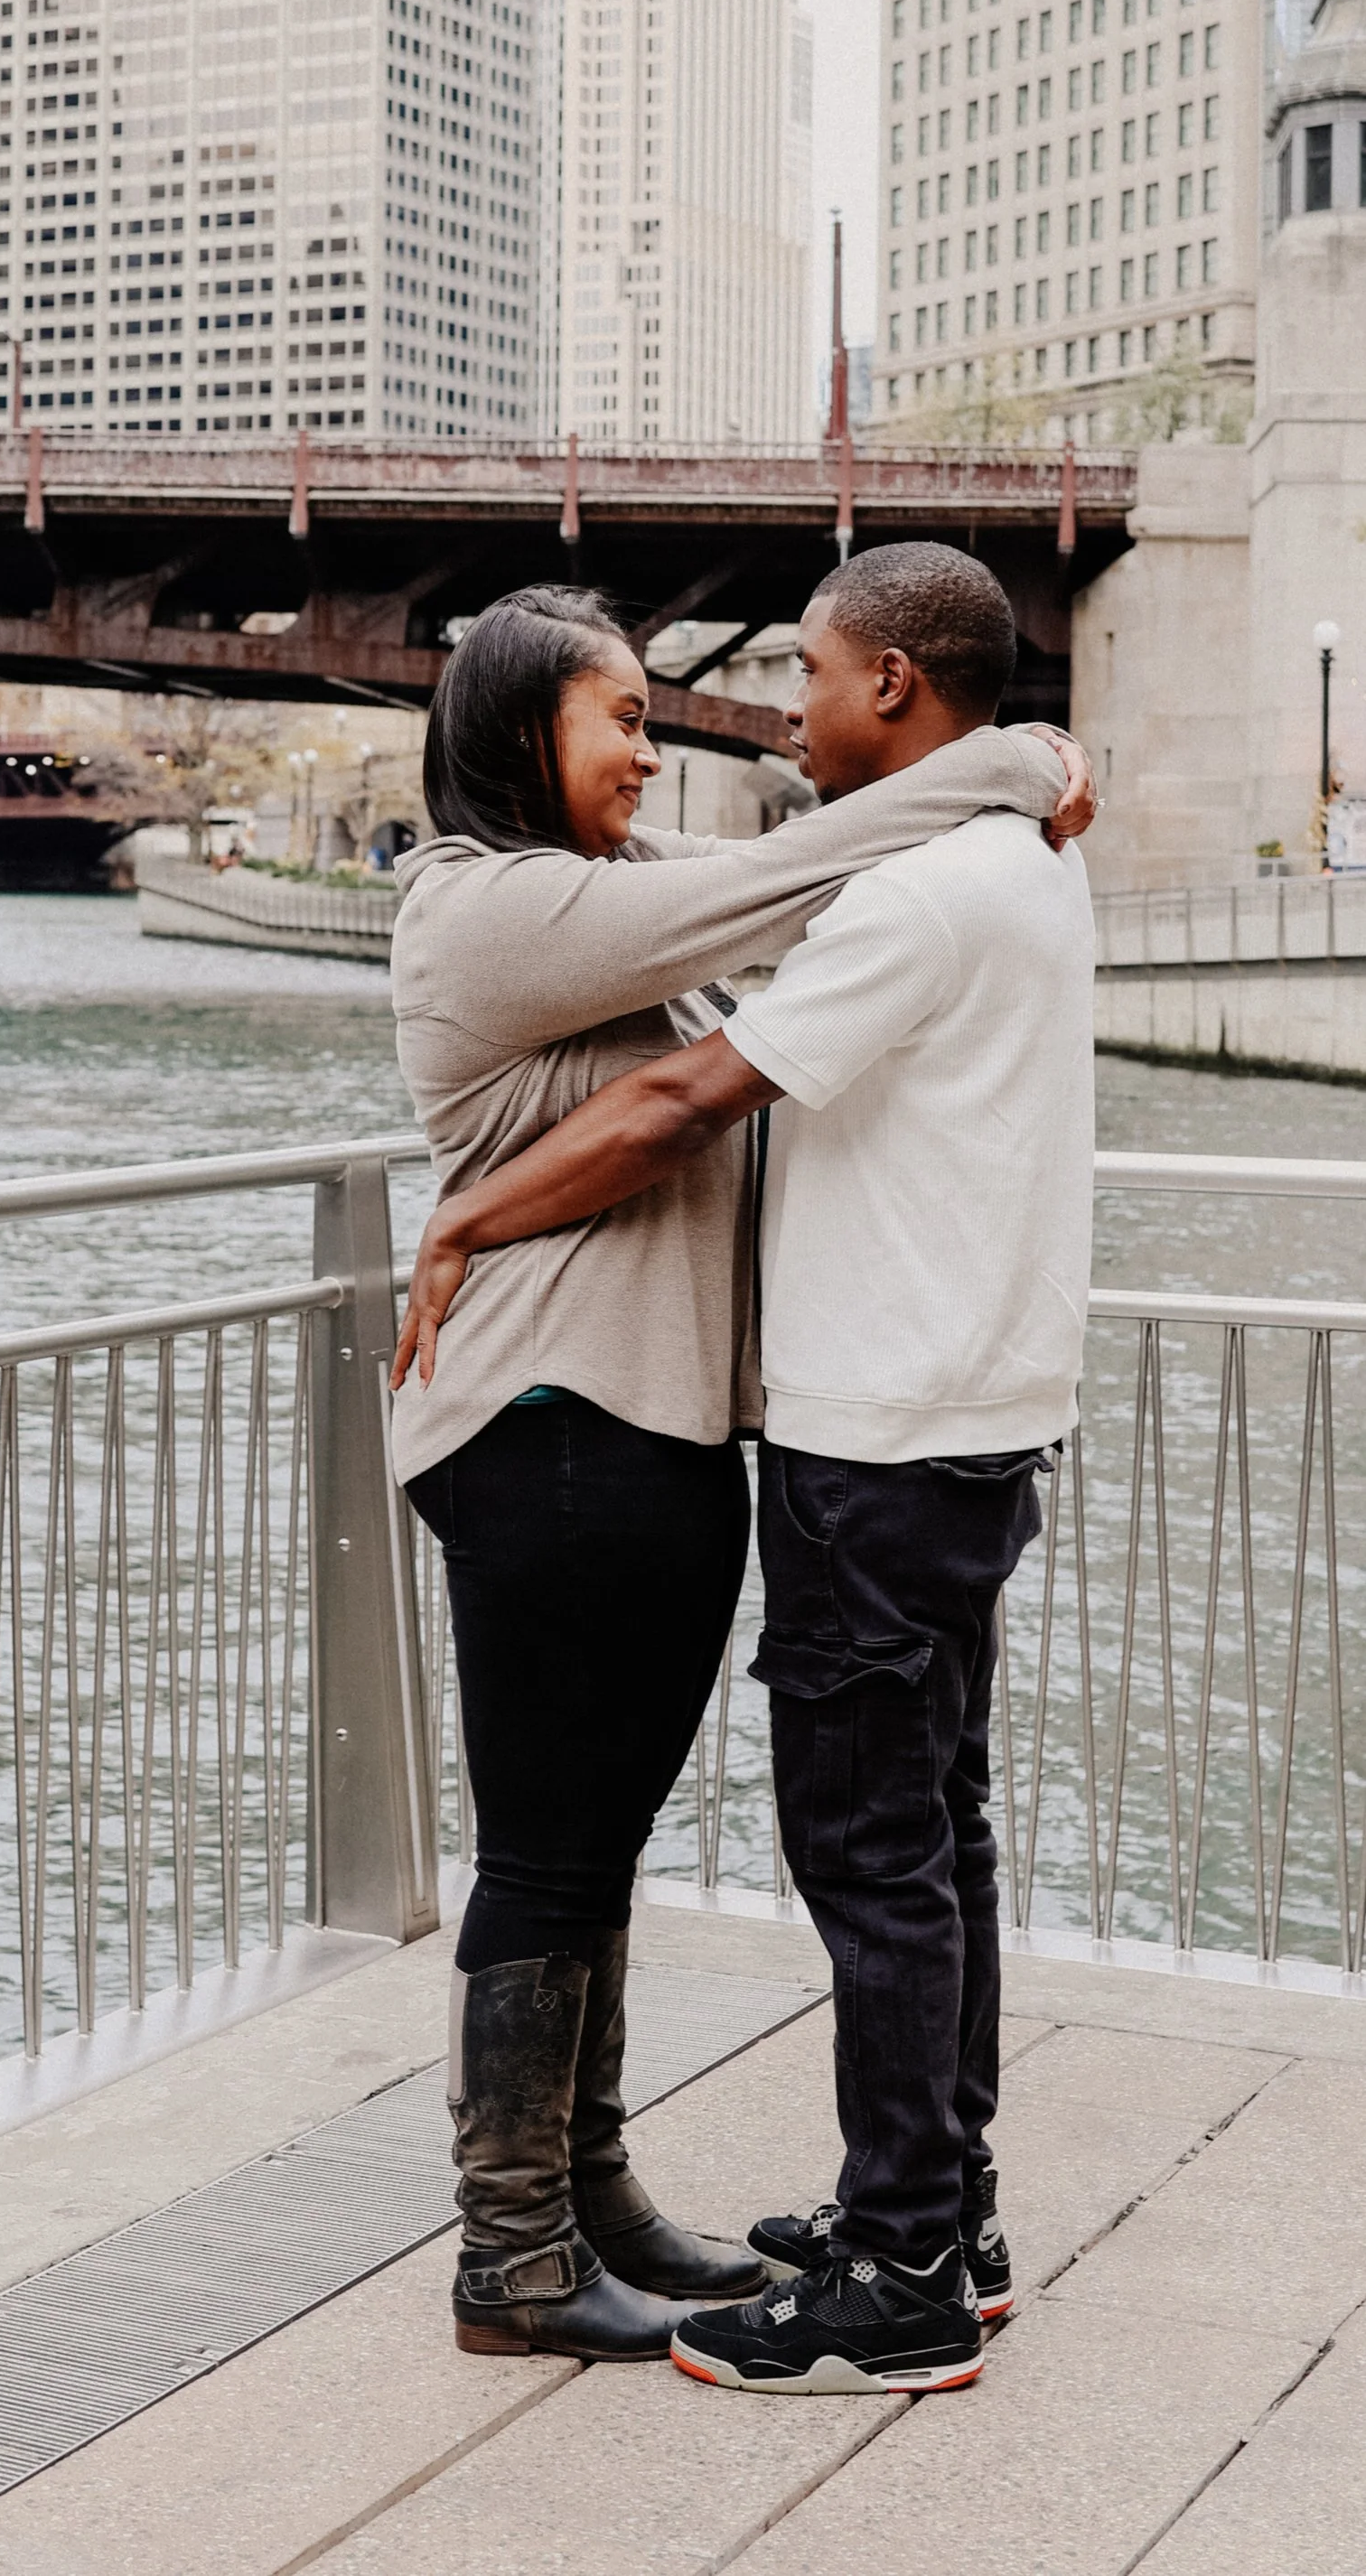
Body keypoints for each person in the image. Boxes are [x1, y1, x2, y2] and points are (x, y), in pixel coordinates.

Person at [395, 544, 1095, 2396]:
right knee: (556, 1849)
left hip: (657, 1440)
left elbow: (766, 902)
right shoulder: (492, 911)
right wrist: (1020, 765)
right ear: (506, 729)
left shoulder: (617, 896)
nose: (654, 744)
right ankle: (513, 2249)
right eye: (615, 718)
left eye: (650, 712)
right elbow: (777, 899)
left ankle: (596, 2200)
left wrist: (1005, 778)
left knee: (607, 1842)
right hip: (545, 1429)